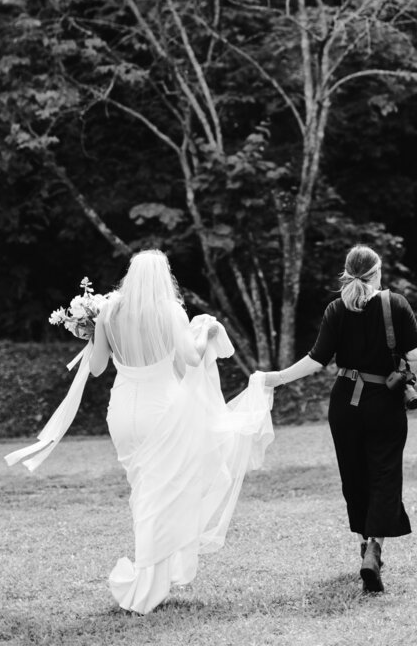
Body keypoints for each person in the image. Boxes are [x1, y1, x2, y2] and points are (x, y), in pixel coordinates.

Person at [82, 250, 274, 614]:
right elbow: (190, 357)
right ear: (162, 276)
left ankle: (154, 573)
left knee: (144, 491)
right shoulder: (170, 311)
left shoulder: (109, 311)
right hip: (161, 410)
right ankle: (147, 582)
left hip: (122, 411)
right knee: (161, 493)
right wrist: (207, 332)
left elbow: (95, 369)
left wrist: (90, 334)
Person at [257, 245, 417, 593]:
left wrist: (277, 377)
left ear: (348, 273)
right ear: (377, 272)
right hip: (385, 402)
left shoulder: (336, 308)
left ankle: (365, 543)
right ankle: (374, 548)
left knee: (355, 475)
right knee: (384, 473)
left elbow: (316, 358)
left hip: (345, 404)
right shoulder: (396, 304)